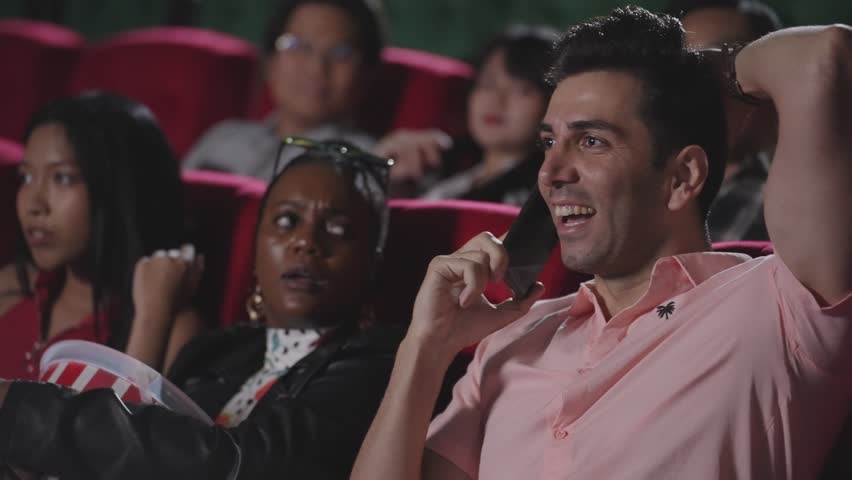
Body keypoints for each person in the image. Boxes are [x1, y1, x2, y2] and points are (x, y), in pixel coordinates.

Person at [352, 6, 852, 480]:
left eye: (591, 141)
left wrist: (700, 73)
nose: (550, 173)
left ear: (682, 176)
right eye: (549, 142)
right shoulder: (512, 344)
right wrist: (426, 347)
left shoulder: (782, 308)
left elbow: (823, 56)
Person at [0, 139, 450, 479]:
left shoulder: (381, 363)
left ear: (371, 264)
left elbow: (238, 463)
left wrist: (20, 411)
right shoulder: (217, 349)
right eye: (286, 221)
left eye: (338, 228)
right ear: (255, 249)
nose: (306, 242)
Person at [0, 92, 204, 379]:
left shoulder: (169, 325)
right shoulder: (13, 288)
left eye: (63, 178)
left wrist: (151, 316)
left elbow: (118, 424)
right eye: (27, 177)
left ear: (121, 190)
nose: (34, 204)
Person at [182, 0, 382, 180]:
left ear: (367, 74)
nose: (316, 68)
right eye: (298, 45)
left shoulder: (367, 159)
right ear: (270, 62)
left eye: (341, 52)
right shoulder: (224, 138)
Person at [378, 26, 558, 206]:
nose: (496, 99)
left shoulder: (542, 196)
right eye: (487, 83)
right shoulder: (440, 163)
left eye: (521, 90)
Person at [668, 0, 783, 241]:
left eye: (724, 62)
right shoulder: (653, 189)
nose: (703, 84)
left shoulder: (795, 198)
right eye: (687, 65)